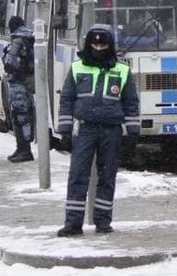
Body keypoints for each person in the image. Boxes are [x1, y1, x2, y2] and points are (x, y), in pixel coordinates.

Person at [55, 25, 139, 237]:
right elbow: (66, 99)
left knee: (107, 176)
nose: (98, 48)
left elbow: (131, 103)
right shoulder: (77, 68)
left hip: (112, 131)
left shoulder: (122, 70)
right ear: (88, 44)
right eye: (95, 44)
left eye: (103, 44)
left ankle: (103, 221)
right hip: (86, 129)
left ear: (110, 46)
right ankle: (73, 224)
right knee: (77, 176)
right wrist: (64, 130)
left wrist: (133, 132)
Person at [2, 15, 36, 163]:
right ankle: (22, 148)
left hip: (18, 82)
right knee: (25, 115)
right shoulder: (30, 38)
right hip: (28, 82)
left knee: (20, 116)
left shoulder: (17, 40)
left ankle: (24, 150)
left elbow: (10, 63)